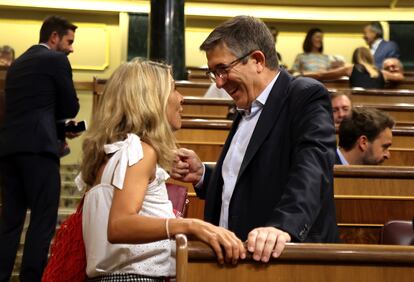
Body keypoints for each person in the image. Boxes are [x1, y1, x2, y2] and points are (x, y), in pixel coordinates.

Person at [171, 16, 339, 263]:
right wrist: (204, 175)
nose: (218, 82)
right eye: (213, 73)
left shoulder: (304, 95)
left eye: (223, 69)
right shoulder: (247, 106)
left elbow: (312, 168)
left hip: (284, 261)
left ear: (258, 60)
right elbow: (250, 176)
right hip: (238, 260)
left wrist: (283, 226)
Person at [78, 58, 245, 281]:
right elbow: (119, 225)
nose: (181, 97)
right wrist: (190, 225)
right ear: (151, 99)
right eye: (174, 89)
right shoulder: (141, 151)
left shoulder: (112, 154)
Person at [0, 16, 79, 281]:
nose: (71, 48)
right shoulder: (56, 60)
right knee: (42, 222)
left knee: (10, 223)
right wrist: (63, 124)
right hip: (40, 151)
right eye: (69, 41)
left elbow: (29, 109)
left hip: (10, 151)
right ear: (54, 37)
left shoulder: (17, 64)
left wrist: (55, 125)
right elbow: (70, 107)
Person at [303, 47, 404, 88]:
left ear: (355, 58)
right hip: (376, 110)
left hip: (358, 106)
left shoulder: (350, 68)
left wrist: (302, 74)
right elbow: (400, 77)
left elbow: (321, 75)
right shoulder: (382, 73)